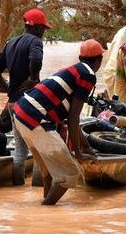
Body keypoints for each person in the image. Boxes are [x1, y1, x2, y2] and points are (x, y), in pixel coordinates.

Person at [12, 39, 104, 205]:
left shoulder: (74, 70)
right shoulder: (88, 74)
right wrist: (78, 152)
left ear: (80, 57)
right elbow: (74, 117)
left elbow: (70, 118)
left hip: (20, 115)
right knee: (70, 173)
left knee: (48, 172)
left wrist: (86, 148)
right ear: (100, 60)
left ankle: (44, 219)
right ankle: (45, 209)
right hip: (36, 118)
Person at [0, 8, 48, 185]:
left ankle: (17, 188)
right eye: (43, 28)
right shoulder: (35, 41)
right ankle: (38, 191)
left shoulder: (11, 43)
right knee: (39, 150)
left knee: (19, 151)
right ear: (36, 28)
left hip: (14, 102)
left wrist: (6, 88)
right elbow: (36, 60)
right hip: (31, 102)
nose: (44, 32)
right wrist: (33, 78)